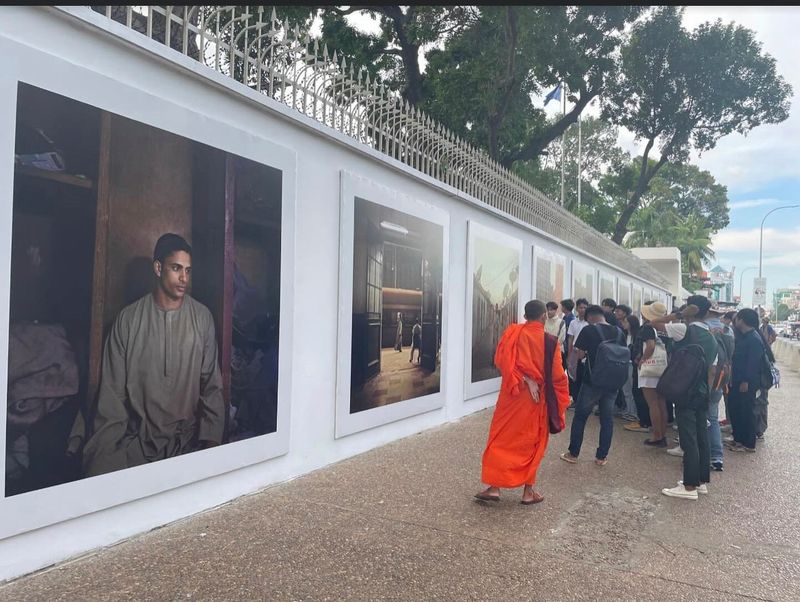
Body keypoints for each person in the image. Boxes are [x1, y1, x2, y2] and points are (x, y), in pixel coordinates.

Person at [82, 233, 225, 478]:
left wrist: (210, 445)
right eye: (176, 268)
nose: (183, 278)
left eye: (188, 271)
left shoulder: (202, 318)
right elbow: (111, 397)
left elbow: (211, 387)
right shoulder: (128, 320)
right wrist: (104, 461)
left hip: (187, 443)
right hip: (137, 444)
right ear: (158, 268)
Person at [475, 300, 571, 505]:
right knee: (533, 441)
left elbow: (502, 361)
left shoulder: (513, 333)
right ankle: (528, 492)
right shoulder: (550, 341)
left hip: (513, 395)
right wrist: (561, 394)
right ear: (544, 316)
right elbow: (556, 374)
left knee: (502, 438)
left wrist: (524, 378)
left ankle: (494, 487)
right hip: (536, 399)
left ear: (525, 315)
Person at [651, 296, 718, 501]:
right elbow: (712, 371)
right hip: (702, 391)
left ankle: (689, 486)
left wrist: (680, 315)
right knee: (701, 436)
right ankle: (701, 482)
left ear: (692, 309)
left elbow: (654, 324)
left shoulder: (685, 330)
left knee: (688, 438)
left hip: (685, 390)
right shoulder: (712, 337)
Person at [560, 305, 625, 466]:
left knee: (581, 416)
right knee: (607, 418)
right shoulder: (619, 331)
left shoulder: (589, 331)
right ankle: (601, 457)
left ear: (589, 317)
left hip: (593, 380)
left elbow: (580, 354)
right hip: (613, 381)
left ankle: (573, 453)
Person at [728, 308, 764, 453]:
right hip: (737, 379)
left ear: (742, 320)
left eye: (737, 318)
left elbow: (753, 363)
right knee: (736, 409)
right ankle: (738, 439)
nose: (734, 321)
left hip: (746, 381)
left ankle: (748, 443)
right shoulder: (745, 336)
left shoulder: (753, 338)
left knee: (746, 411)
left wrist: (746, 381)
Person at [635, 301, 670, 447]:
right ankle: (663, 433)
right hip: (663, 368)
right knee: (661, 402)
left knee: (652, 403)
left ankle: (656, 435)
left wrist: (642, 360)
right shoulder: (666, 329)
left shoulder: (647, 328)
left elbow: (650, 345)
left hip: (650, 369)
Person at [621, 313, 652, 434]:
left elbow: (649, 346)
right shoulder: (625, 334)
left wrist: (641, 359)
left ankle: (639, 418)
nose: (623, 324)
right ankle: (632, 413)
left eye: (626, 322)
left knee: (637, 391)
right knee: (629, 389)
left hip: (636, 365)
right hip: (629, 363)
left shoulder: (643, 331)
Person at [566, 298, 589, 404]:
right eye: (581, 307)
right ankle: (574, 399)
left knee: (583, 376)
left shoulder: (589, 323)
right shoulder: (573, 322)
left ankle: (582, 400)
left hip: (586, 353)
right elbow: (570, 338)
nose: (583, 309)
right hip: (575, 352)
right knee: (573, 376)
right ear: (577, 308)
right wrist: (569, 353)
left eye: (585, 307)